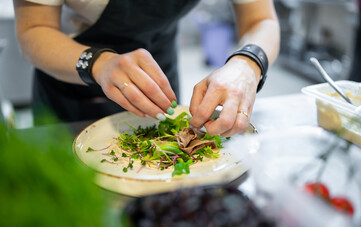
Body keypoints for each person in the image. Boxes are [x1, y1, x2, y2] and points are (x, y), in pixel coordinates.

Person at [13, 0, 280, 137]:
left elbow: (261, 19)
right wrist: (100, 64)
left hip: (159, 73)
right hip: (73, 86)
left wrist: (247, 64)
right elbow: (33, 31)